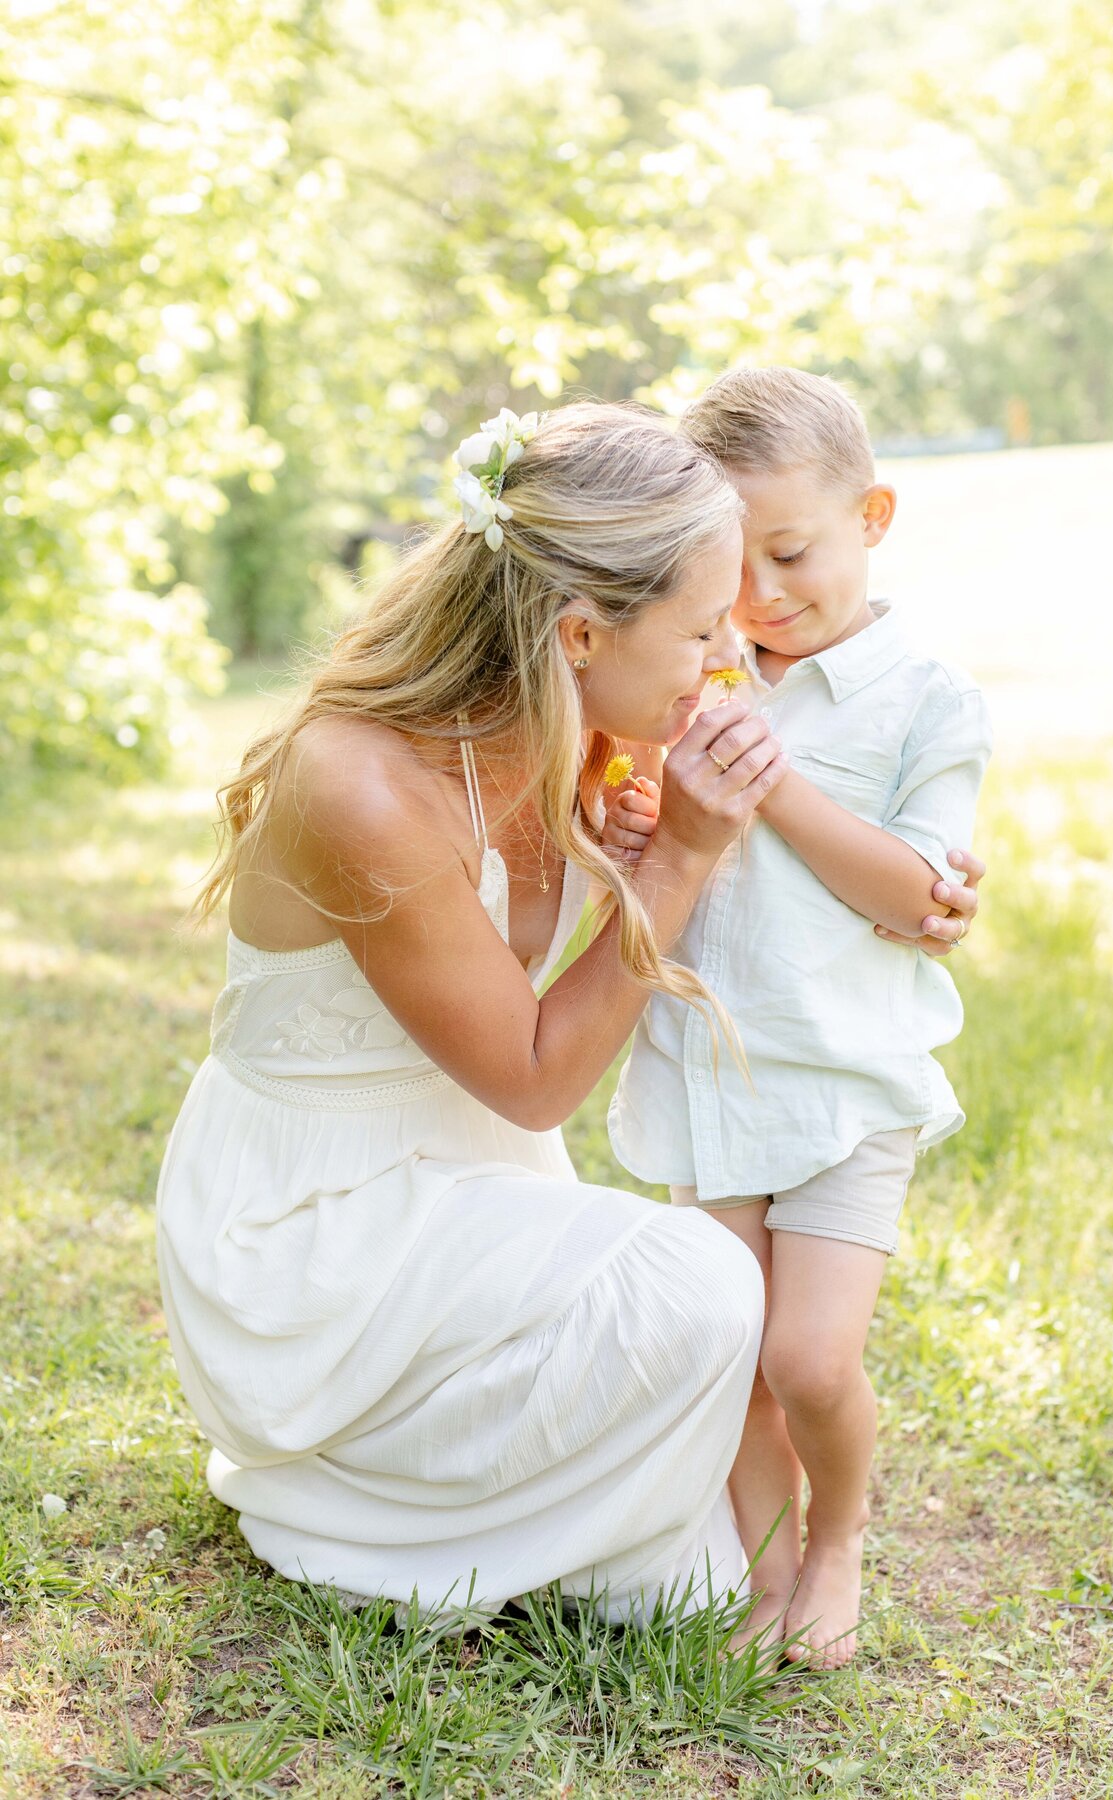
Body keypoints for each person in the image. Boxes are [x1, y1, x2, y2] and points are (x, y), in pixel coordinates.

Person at [156, 398, 982, 1623]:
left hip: (469, 1171)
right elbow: (539, 1076)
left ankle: (521, 1484)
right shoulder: (360, 785)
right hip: (321, 1227)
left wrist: (906, 886)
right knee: (704, 1287)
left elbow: (845, 872)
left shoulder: (568, 725)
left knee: (698, 1499)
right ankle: (363, 1475)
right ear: (583, 633)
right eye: (703, 629)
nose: (723, 661)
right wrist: (677, 864)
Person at [606, 368, 991, 1663]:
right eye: (733, 568)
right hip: (707, 1074)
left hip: (844, 1086)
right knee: (734, 1361)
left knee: (810, 1361)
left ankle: (838, 1535)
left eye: (790, 553)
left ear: (871, 516)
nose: (760, 599)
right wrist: (620, 827)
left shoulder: (927, 697)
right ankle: (765, 1571)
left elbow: (921, 897)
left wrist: (769, 785)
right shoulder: (688, 674)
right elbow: (639, 860)